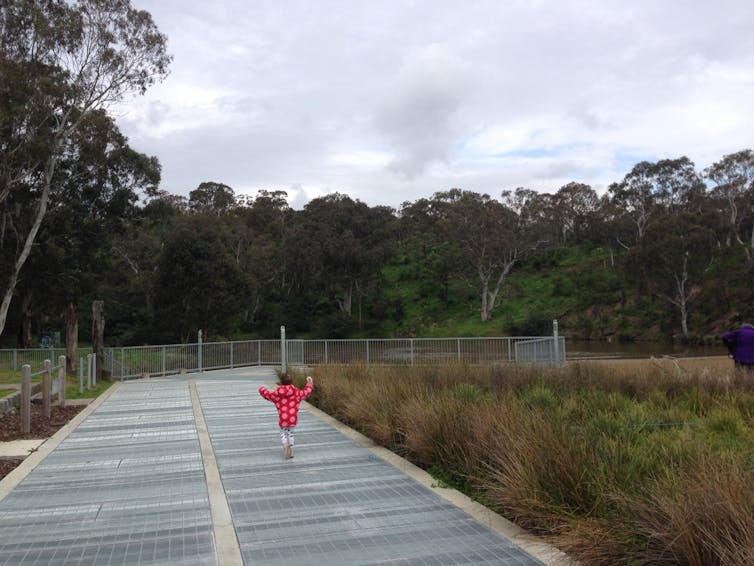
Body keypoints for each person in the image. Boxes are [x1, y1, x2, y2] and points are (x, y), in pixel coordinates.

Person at [259, 373, 314, 459]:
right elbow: (306, 392)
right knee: (291, 433)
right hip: (292, 418)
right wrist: (309, 383)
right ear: (291, 381)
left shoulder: (277, 394)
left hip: (283, 418)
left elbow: (268, 396)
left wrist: (262, 389)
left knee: (283, 433)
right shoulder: (296, 392)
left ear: (281, 382)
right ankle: (291, 450)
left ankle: (285, 445)